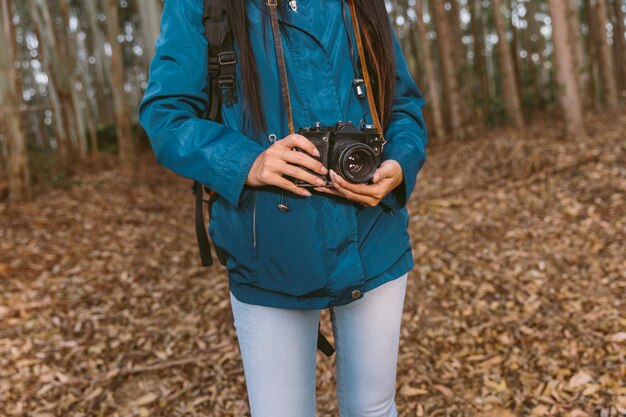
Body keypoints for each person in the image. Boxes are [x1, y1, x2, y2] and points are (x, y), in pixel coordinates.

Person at [139, 0, 428, 415]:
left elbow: (402, 103)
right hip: (269, 251)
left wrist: (399, 163)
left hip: (373, 236)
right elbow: (165, 115)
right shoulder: (202, 6)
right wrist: (248, 162)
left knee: (375, 408)